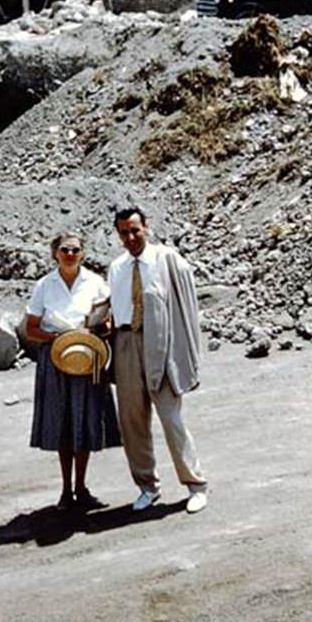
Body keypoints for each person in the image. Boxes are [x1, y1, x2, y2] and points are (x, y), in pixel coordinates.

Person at [108, 207, 208, 514]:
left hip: (160, 344)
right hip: (126, 344)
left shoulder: (167, 260)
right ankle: (147, 487)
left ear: (146, 228)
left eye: (135, 230)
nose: (131, 237)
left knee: (171, 418)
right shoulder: (117, 268)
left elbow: (186, 308)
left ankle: (196, 484)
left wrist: (185, 354)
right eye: (124, 232)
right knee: (132, 423)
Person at [25, 231, 120, 511]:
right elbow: (31, 328)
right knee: (63, 423)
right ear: (55, 253)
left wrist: (100, 329)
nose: (70, 254)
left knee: (86, 421)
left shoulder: (94, 282)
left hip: (87, 355)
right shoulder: (44, 285)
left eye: (76, 250)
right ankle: (66, 490)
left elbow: (109, 320)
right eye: (65, 249)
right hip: (56, 359)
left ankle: (82, 486)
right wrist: (57, 340)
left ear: (83, 253)